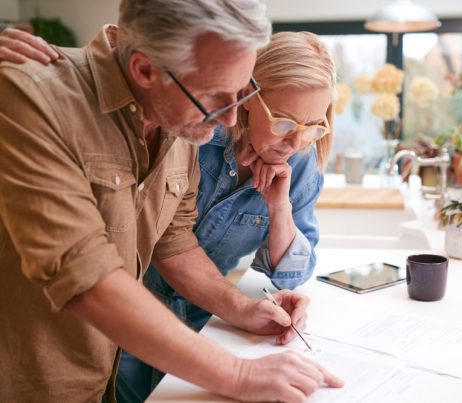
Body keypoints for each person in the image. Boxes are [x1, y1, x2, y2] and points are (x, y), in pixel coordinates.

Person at [0, 1, 342, 402]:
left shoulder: (177, 114)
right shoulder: (33, 95)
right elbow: (84, 275)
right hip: (38, 383)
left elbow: (174, 239)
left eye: (238, 93)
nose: (231, 121)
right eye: (216, 97)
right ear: (145, 71)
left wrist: (241, 309)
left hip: (108, 376)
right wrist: (238, 373)